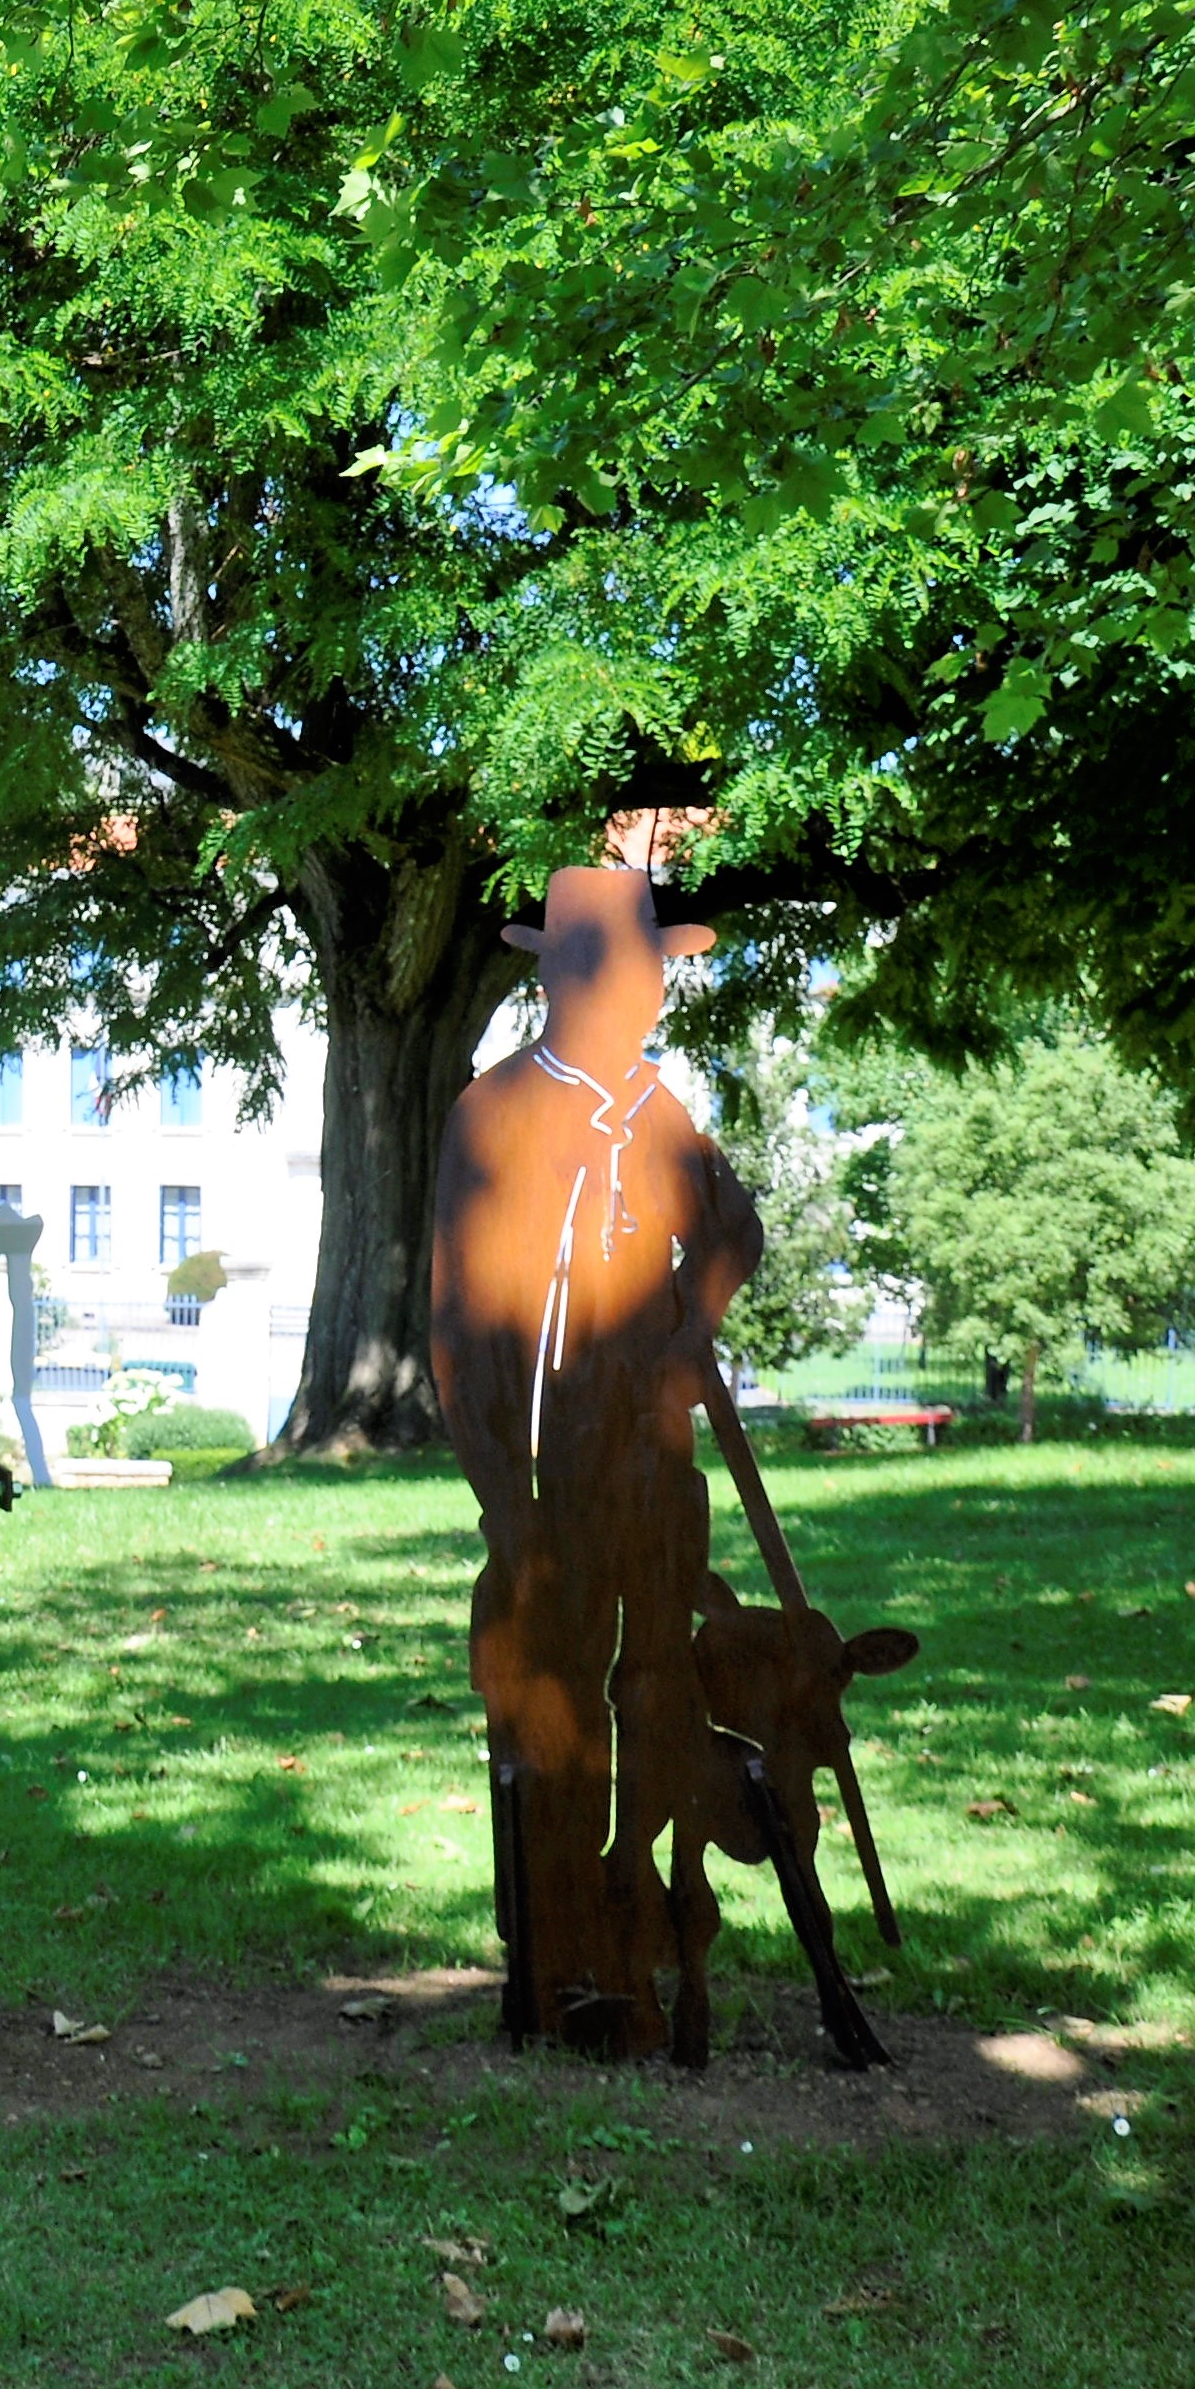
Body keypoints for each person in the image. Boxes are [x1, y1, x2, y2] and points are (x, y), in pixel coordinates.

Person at [426, 869, 760, 2056]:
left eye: (656, 969)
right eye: (635, 967)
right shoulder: (494, 1111)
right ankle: (557, 1961)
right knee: (548, 1704)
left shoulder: (654, 1108)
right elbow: (458, 1327)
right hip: (545, 1468)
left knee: (654, 1693)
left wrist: (687, 1338)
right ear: (568, 976)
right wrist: (501, 1501)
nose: (653, 989)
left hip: (651, 1470)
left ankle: (647, 1941)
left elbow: (734, 1232)